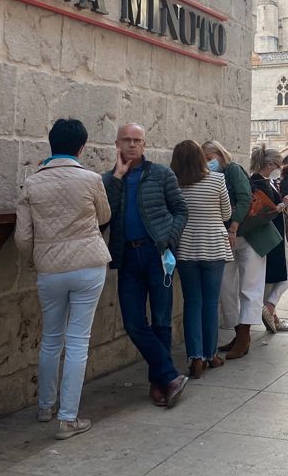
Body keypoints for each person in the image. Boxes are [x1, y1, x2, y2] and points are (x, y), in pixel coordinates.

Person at [16, 118, 110, 440]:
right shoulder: (91, 179)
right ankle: (68, 417)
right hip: (88, 264)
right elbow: (104, 216)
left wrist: (37, 258)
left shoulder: (32, 183)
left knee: (51, 338)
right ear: (82, 147)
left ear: (50, 143)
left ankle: (45, 406)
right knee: (78, 341)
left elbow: (22, 236)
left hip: (50, 268)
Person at [103, 123, 189, 408]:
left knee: (161, 320)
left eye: (137, 140)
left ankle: (159, 383)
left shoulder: (162, 174)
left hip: (157, 255)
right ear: (117, 144)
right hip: (128, 257)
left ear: (144, 144)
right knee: (133, 322)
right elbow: (106, 216)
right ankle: (169, 375)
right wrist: (117, 177)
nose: (131, 145)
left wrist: (169, 239)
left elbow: (180, 209)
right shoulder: (109, 180)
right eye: (126, 140)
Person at [170, 140, 232, 379]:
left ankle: (194, 356)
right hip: (214, 248)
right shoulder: (217, 180)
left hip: (186, 248)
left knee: (192, 302)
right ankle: (211, 354)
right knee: (210, 303)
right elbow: (226, 213)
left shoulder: (175, 184)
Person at [201, 140, 255, 361]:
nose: (207, 163)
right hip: (228, 237)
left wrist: (233, 226)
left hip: (249, 235)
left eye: (209, 158)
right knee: (226, 286)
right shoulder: (213, 176)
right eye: (204, 159)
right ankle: (237, 332)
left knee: (249, 287)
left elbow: (245, 198)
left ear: (220, 154)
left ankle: (244, 337)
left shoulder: (232, 170)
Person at [259, 151, 288, 335]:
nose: (279, 169)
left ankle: (273, 316)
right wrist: (284, 203)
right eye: (278, 165)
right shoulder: (259, 182)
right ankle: (270, 307)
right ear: (270, 165)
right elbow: (267, 210)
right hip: (271, 235)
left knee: (280, 275)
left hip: (275, 234)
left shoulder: (267, 182)